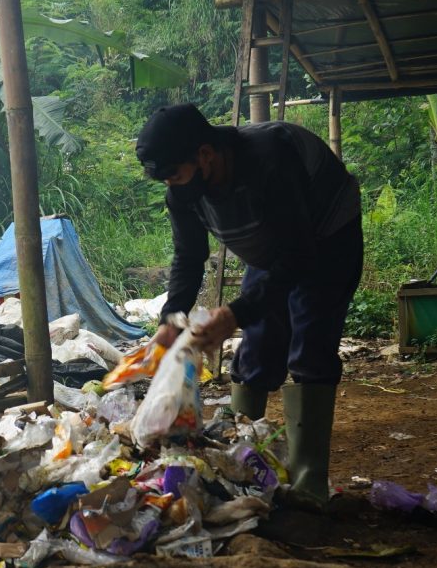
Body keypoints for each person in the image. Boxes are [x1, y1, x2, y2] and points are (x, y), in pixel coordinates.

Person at [135, 103, 363, 505]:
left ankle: (310, 482)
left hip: (327, 239)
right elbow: (189, 257)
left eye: (176, 174)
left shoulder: (270, 160)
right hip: (271, 251)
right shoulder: (182, 195)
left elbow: (299, 256)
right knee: (257, 349)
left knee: (309, 343)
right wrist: (171, 317)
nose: (173, 185)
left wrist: (234, 313)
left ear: (205, 154)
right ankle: (245, 459)